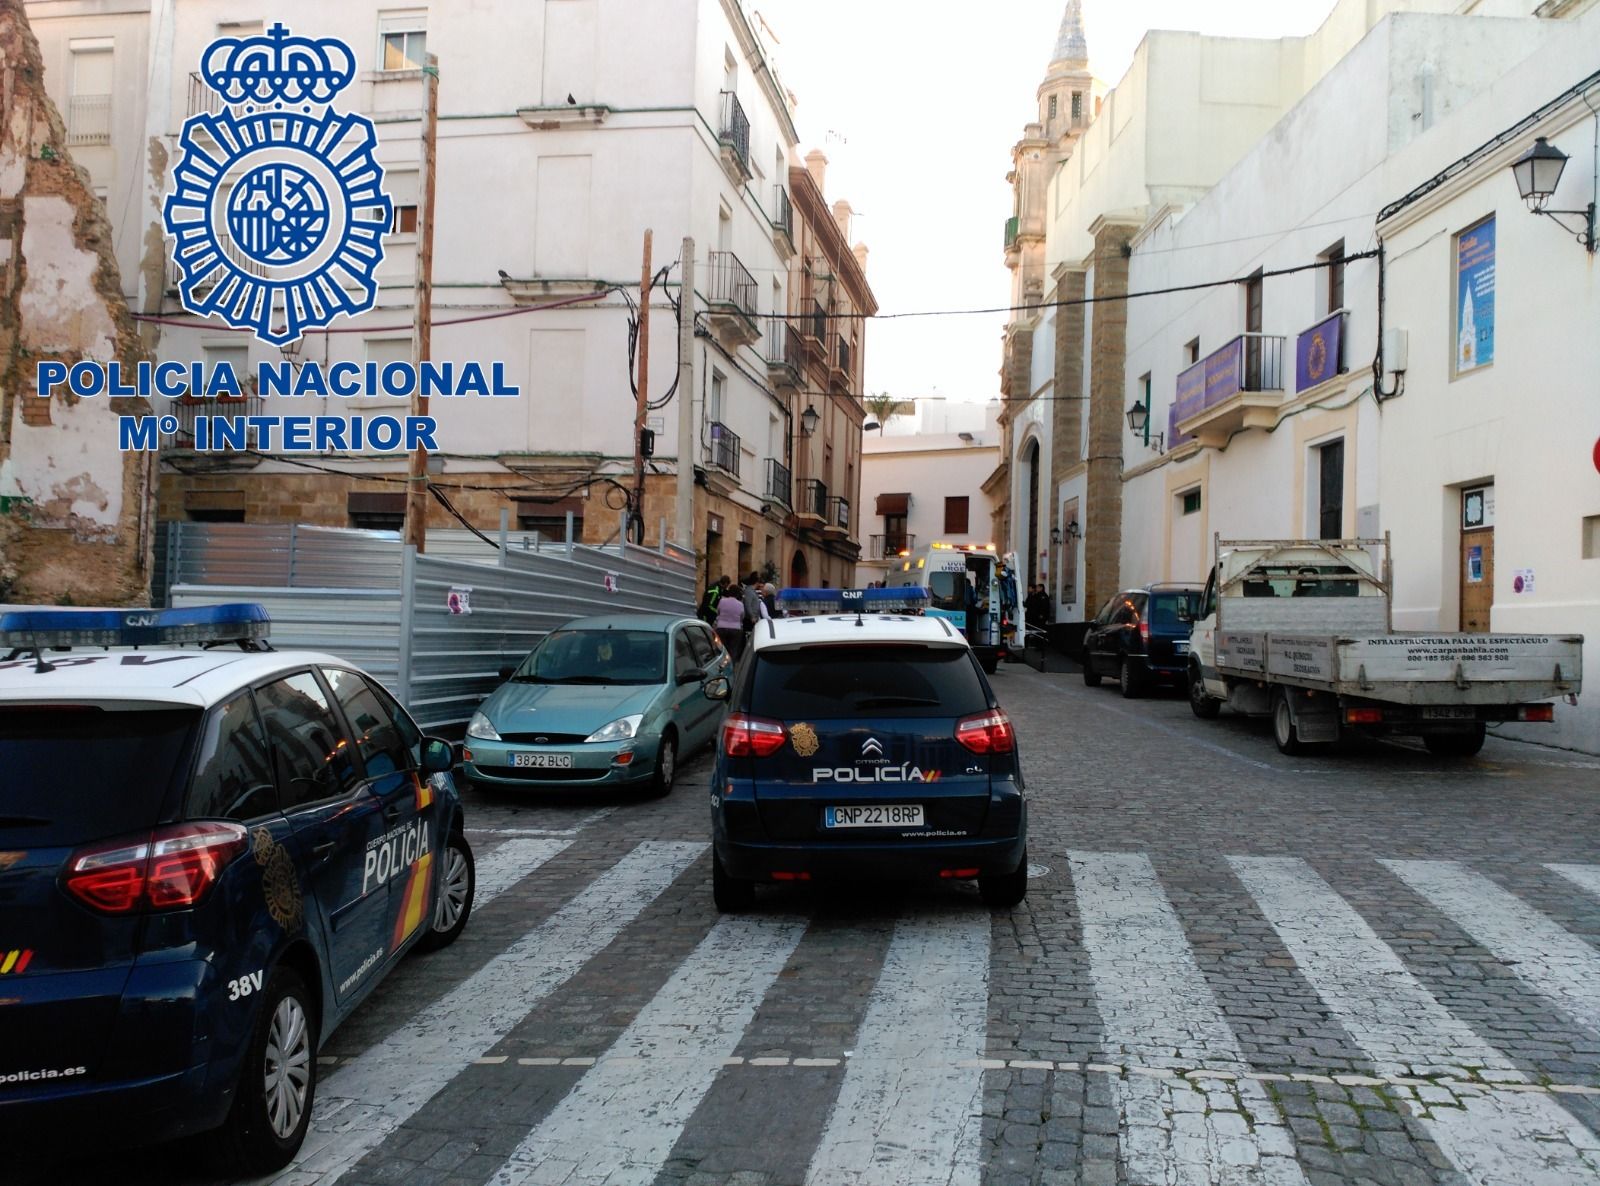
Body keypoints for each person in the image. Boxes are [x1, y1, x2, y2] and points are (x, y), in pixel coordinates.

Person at [715, 581, 747, 659]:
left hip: (721, 627)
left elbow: (718, 612)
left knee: (721, 649)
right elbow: (742, 616)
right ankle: (731, 666)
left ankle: (721, 665)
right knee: (733, 650)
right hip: (735, 629)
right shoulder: (740, 604)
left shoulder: (722, 601)